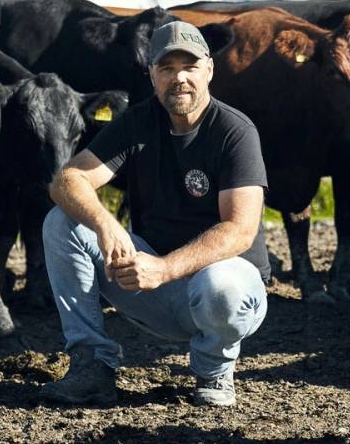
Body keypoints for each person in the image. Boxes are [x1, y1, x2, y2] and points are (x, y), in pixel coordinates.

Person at [41, 21, 269, 407]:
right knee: (62, 222)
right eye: (166, 68)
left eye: (190, 67)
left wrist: (164, 268)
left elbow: (239, 231)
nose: (179, 78)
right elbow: (66, 179)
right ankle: (92, 363)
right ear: (152, 76)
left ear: (209, 70)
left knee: (220, 287)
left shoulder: (234, 131)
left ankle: (214, 371)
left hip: (225, 290)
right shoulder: (137, 122)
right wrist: (106, 224)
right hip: (153, 288)